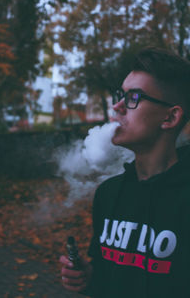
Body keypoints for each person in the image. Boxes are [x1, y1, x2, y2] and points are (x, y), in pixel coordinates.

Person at [60, 47, 190, 297]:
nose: (117, 106)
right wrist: (89, 278)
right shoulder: (108, 194)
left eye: (134, 97)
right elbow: (106, 281)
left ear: (171, 117)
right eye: (121, 95)